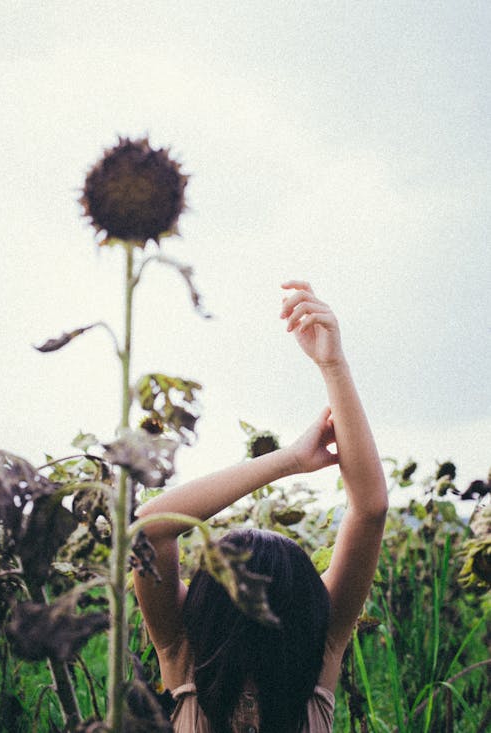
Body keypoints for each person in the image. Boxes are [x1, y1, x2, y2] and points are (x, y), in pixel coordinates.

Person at [134, 281, 388, 733]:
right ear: (308, 605)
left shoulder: (182, 651)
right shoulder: (320, 651)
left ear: (206, 601)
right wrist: (331, 366)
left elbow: (150, 530)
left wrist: (289, 459)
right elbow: (369, 510)